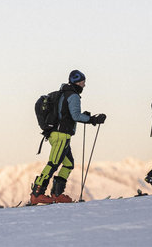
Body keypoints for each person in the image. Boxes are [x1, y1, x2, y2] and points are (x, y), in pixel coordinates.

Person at [30, 70, 107, 204]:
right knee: (53, 163)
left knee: (68, 164)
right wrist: (93, 119)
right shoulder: (73, 96)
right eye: (83, 82)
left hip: (57, 134)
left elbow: (66, 113)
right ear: (77, 82)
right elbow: (75, 116)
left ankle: (57, 194)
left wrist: (86, 116)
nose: (84, 85)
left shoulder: (63, 94)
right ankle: (37, 193)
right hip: (61, 135)